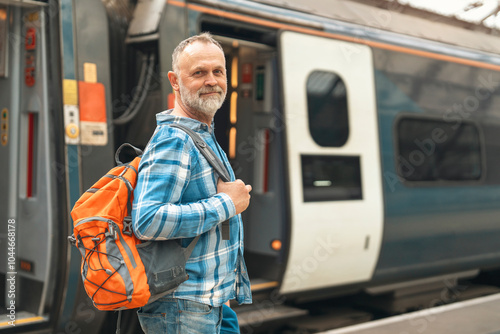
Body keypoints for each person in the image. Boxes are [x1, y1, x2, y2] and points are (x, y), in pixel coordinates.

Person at [132, 32, 252, 333]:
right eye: (198, 73)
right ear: (175, 81)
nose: (211, 80)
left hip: (209, 303)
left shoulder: (201, 133)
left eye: (218, 71)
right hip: (182, 307)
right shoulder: (174, 140)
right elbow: (147, 219)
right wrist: (226, 204)